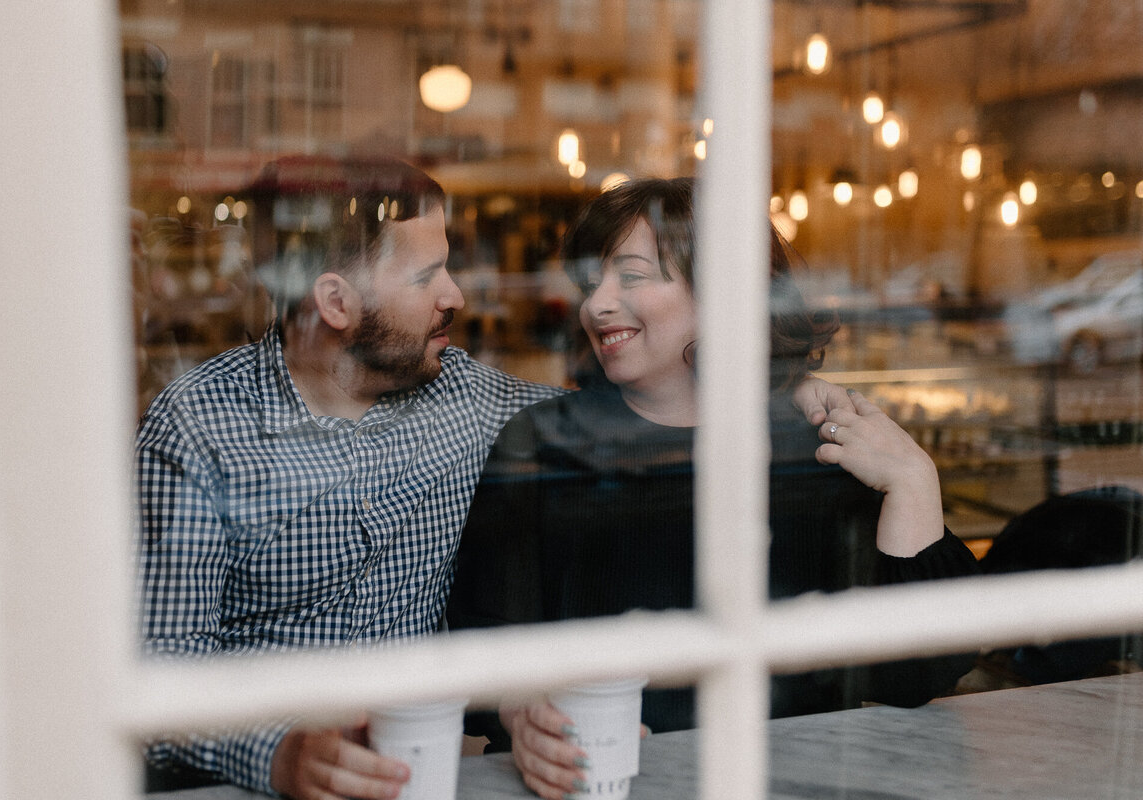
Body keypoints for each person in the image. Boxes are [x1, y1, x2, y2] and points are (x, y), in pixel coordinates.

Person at [135, 158, 853, 799]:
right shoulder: (200, 427)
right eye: (426, 277)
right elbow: (158, 675)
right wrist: (281, 756)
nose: (456, 295)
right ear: (336, 303)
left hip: (415, 776)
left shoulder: (469, 400)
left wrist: (780, 390)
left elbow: (632, 408)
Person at [446, 177, 980, 800]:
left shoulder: (817, 447)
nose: (596, 305)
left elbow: (918, 675)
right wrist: (524, 715)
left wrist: (915, 484)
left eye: (634, 276)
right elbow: (485, 640)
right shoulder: (543, 440)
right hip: (592, 784)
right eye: (592, 283)